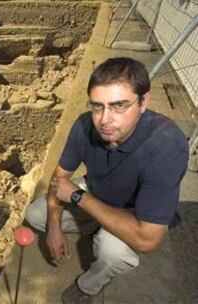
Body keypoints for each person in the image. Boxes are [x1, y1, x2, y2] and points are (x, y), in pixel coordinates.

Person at [25, 57, 189, 304]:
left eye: (119, 106)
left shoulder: (166, 146)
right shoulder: (84, 126)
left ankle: (88, 287)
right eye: (97, 106)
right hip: (98, 193)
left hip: (134, 212)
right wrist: (55, 227)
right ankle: (99, 225)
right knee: (37, 215)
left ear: (144, 101)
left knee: (112, 252)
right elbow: (59, 180)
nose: (104, 119)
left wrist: (78, 196)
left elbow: (148, 240)